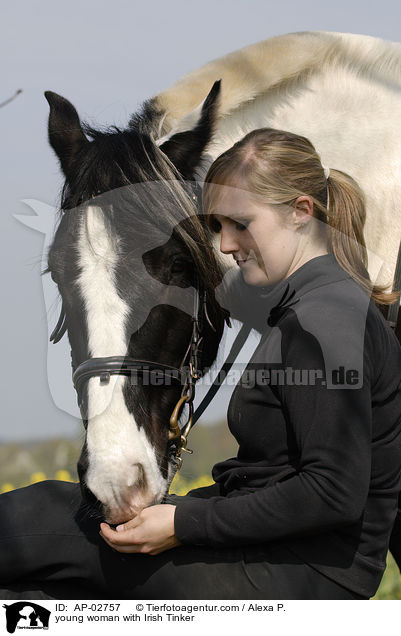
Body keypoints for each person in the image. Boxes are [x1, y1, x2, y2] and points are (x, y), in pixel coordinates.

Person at [1, 127, 401, 600]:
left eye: (240, 224)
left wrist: (182, 521)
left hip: (295, 577)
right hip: (283, 556)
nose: (226, 244)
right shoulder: (307, 303)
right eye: (216, 227)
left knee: (33, 520)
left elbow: (333, 493)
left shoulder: (325, 320)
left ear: (300, 213)